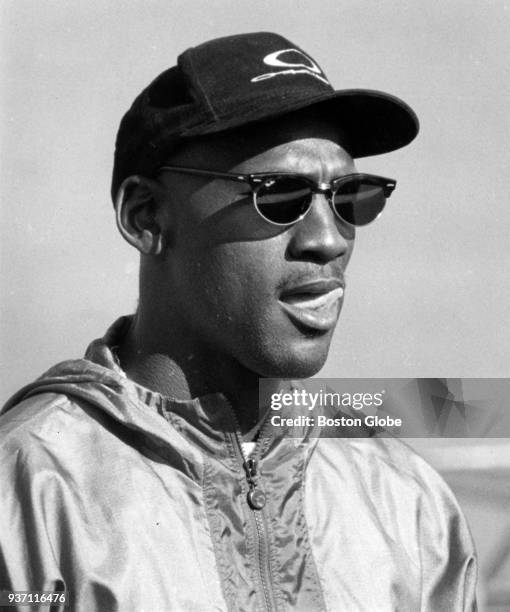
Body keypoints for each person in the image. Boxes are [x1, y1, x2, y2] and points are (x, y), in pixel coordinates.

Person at [0, 32, 477, 611]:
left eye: (352, 197)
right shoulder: (28, 492)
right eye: (279, 194)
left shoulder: (408, 503)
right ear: (146, 216)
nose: (329, 240)